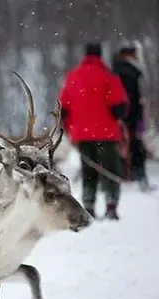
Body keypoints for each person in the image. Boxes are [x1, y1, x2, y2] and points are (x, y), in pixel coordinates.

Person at [59, 42, 129, 220]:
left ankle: (89, 205)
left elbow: (63, 108)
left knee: (89, 170)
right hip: (106, 133)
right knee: (110, 169)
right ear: (100, 55)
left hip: (82, 134)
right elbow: (118, 107)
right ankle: (111, 205)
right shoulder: (108, 75)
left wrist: (69, 128)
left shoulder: (73, 76)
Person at [112, 41, 154, 191]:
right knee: (135, 148)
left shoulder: (121, 69)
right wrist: (130, 117)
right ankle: (138, 178)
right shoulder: (127, 70)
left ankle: (130, 175)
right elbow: (129, 97)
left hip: (126, 116)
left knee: (129, 148)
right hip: (129, 117)